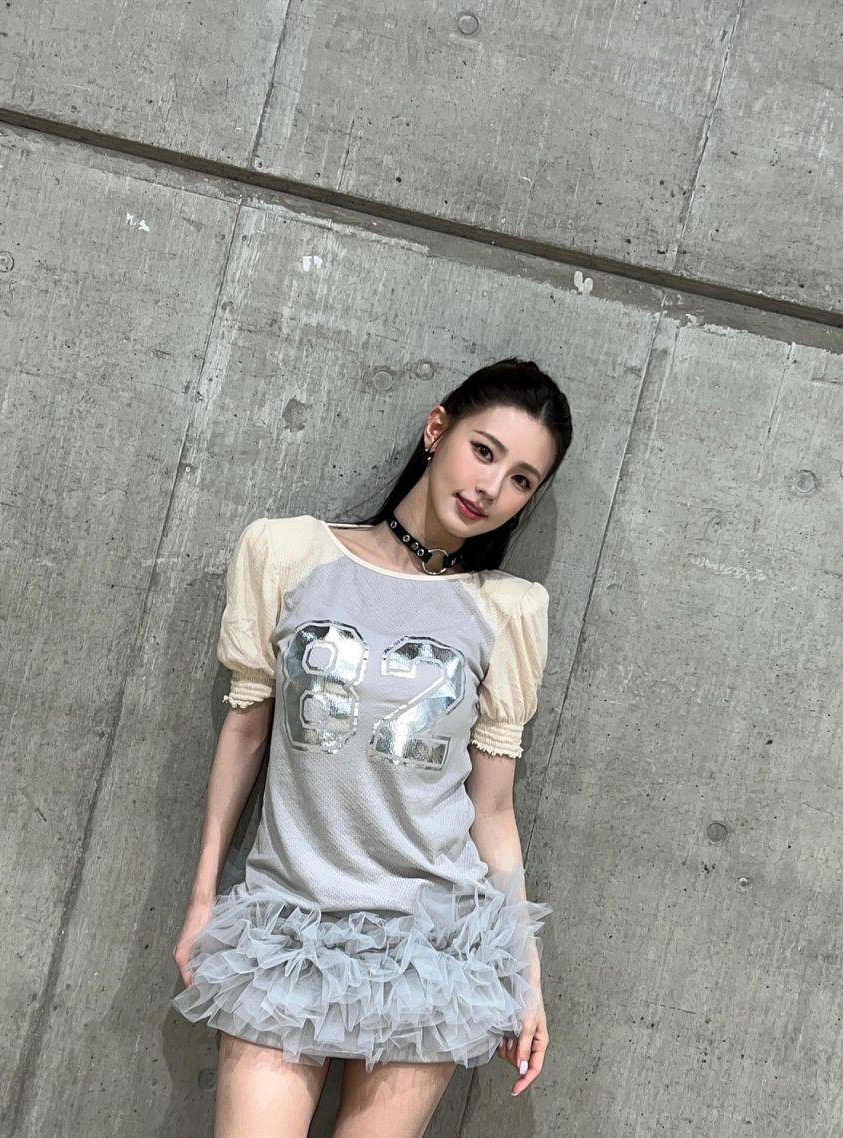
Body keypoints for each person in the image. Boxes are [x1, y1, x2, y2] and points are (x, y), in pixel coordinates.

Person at [171, 356, 574, 1138]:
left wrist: (527, 975)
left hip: (433, 945)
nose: (492, 487)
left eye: (522, 479)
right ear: (436, 430)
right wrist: (202, 901)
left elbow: (493, 809)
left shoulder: (507, 611)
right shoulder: (289, 554)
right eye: (484, 451)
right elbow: (245, 731)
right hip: (286, 926)